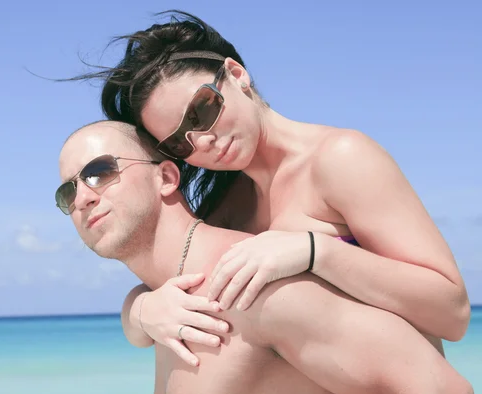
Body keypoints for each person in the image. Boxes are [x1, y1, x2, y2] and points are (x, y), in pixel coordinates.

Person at [66, 10, 471, 366]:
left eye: (202, 110)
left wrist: (314, 251)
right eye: (178, 141)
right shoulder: (227, 205)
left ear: (237, 76)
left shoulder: (339, 159)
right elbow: (166, 286)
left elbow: (452, 314)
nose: (200, 141)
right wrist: (141, 311)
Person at [55, 120, 473, 394]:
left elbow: (443, 391)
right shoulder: (165, 305)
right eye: (67, 192)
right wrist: (140, 310)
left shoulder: (255, 284)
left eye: (100, 171)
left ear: (166, 177)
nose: (84, 197)